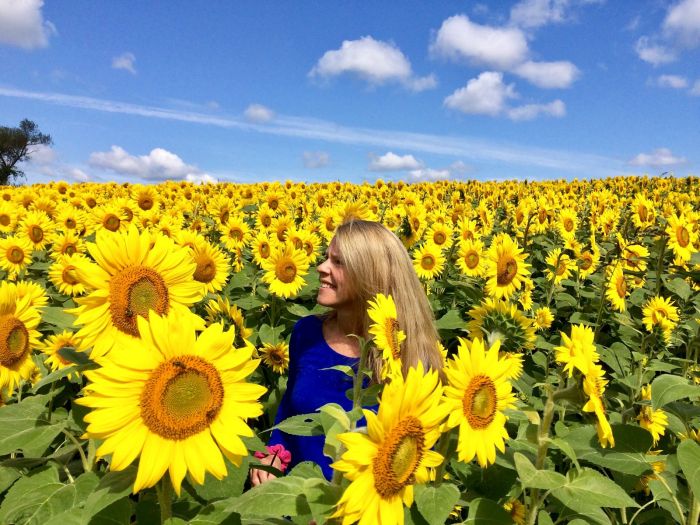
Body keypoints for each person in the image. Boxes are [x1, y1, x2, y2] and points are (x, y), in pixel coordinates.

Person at [249, 219, 443, 485]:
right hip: (296, 499)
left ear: (370, 275)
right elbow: (289, 411)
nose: (321, 267)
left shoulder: (407, 358)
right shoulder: (306, 333)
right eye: (326, 258)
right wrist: (274, 454)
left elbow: (414, 456)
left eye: (338, 262)